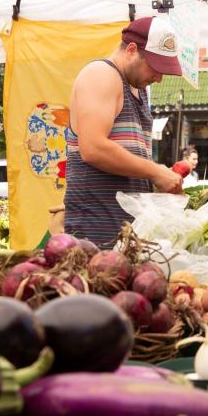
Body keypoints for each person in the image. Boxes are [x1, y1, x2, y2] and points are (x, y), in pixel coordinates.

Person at [65, 15, 185, 247]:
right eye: (155, 67)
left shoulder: (139, 90)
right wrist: (155, 171)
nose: (159, 78)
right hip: (96, 234)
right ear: (131, 50)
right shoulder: (100, 74)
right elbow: (92, 148)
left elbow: (128, 157)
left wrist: (159, 180)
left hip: (126, 233)